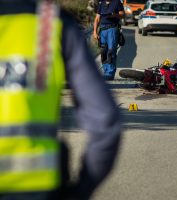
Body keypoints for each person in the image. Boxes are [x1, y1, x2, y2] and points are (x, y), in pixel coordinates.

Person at [0, 0, 121, 199]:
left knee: (109, 54)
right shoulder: (51, 22)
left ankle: (110, 71)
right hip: (35, 188)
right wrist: (80, 191)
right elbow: (105, 122)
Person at [93, 0, 125, 80]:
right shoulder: (101, 3)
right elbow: (97, 18)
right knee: (103, 51)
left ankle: (110, 73)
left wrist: (115, 15)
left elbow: (122, 15)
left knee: (111, 51)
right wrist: (94, 32)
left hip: (112, 29)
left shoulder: (117, 2)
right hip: (103, 30)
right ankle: (105, 71)